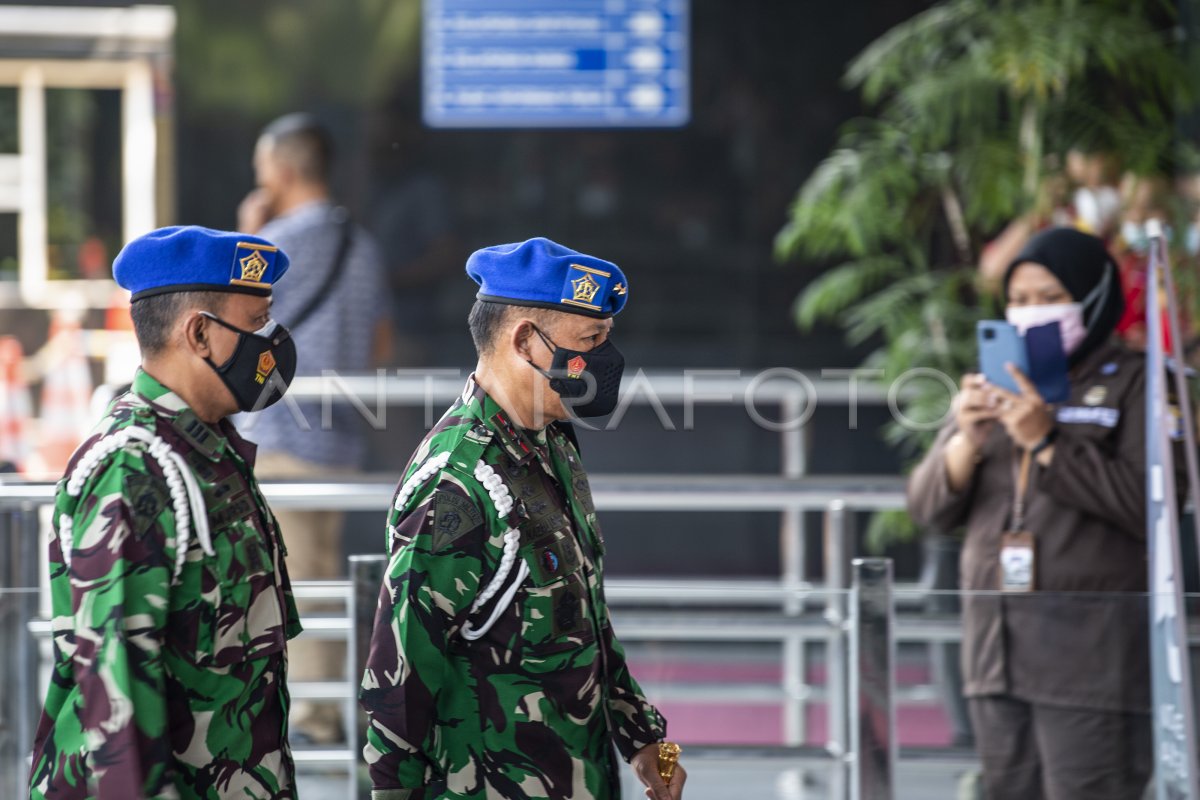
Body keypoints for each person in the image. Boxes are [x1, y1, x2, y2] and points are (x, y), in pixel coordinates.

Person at [359, 237, 685, 800]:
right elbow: (402, 677)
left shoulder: (550, 444)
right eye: (591, 340)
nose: (606, 358)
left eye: (608, 338)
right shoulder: (455, 481)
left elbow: (587, 619)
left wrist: (648, 741)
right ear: (525, 341)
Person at [28, 226, 303, 798]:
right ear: (200, 333)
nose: (272, 343)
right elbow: (116, 702)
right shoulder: (132, 469)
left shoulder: (207, 451)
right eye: (256, 325)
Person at [908, 227, 1160, 800]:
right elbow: (926, 509)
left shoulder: (1140, 384)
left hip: (1088, 664)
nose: (1030, 314)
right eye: (1018, 301)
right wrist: (966, 443)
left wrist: (1047, 442)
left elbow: (1149, 505)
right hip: (996, 655)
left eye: (1049, 298)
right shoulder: (997, 384)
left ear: (1093, 299)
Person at [237, 112, 394, 744]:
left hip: (278, 433)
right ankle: (324, 707)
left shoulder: (274, 243)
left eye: (261, 167)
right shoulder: (364, 245)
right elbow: (380, 343)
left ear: (283, 169)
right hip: (339, 439)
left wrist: (248, 232)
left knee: (290, 577)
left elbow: (233, 323)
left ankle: (313, 716)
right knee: (321, 573)